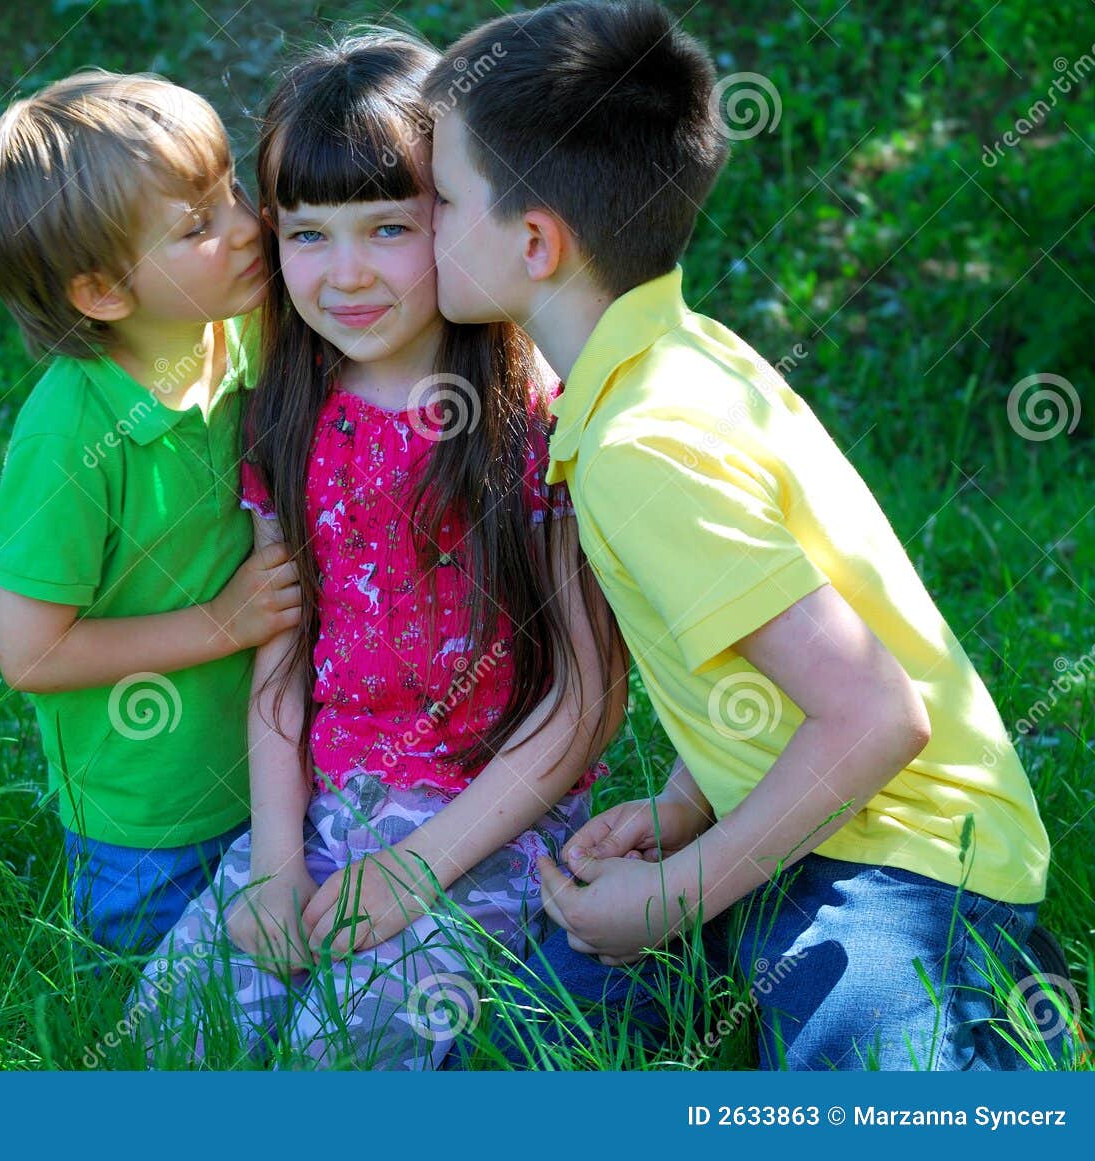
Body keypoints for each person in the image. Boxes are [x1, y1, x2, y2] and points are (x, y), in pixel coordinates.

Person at [426, 0, 1062, 1069]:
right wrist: (684, 807)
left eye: (441, 200)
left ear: (535, 242)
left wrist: (675, 897)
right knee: (519, 1045)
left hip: (907, 862)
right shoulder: (681, 355)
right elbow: (747, 652)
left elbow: (874, 718)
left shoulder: (643, 444)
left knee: (868, 1070)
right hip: (783, 828)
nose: (424, 222)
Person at [130, 32, 625, 1070]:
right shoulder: (285, 415)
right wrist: (272, 863)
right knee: (166, 1043)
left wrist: (415, 870)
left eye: (387, 227)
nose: (343, 274)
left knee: (337, 1064)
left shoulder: (544, 422)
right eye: (308, 235)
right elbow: (282, 649)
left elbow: (586, 702)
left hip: (482, 825)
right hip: (317, 811)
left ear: (457, 218)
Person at [0, 71, 301, 954]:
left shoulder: (237, 328)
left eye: (231, 192)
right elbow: (31, 651)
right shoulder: (70, 432)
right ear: (103, 294)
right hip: (147, 819)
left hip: (278, 776)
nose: (245, 227)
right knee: (174, 1029)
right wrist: (221, 623)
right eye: (197, 227)